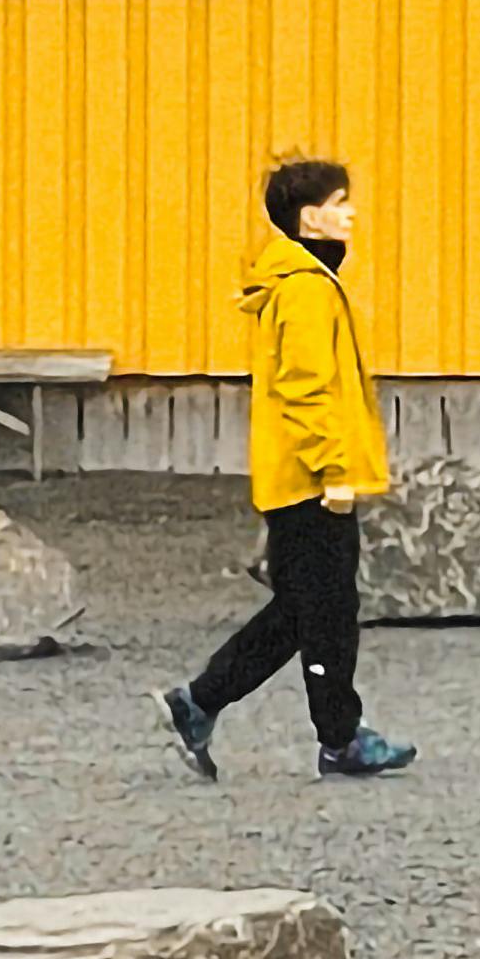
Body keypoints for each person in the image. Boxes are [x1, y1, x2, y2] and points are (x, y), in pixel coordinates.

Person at [163, 152, 413, 781]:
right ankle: (335, 736)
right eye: (338, 204)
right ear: (309, 218)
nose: (350, 213)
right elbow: (307, 388)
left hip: (299, 477)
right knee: (322, 612)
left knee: (307, 611)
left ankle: (209, 703)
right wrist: (333, 470)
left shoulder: (303, 283)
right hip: (309, 480)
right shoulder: (304, 290)